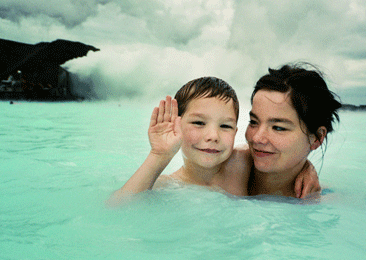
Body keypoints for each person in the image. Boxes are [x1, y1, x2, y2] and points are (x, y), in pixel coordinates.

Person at [107, 76, 320, 206]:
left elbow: (281, 155)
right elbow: (120, 207)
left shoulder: (240, 163)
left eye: (225, 126)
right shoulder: (169, 185)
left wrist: (306, 165)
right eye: (199, 123)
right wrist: (159, 156)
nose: (213, 136)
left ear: (236, 131)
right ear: (176, 125)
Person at [245, 63, 341, 197]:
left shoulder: (322, 202)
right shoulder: (223, 173)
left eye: (278, 128)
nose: (256, 138)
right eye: (253, 122)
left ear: (317, 138)